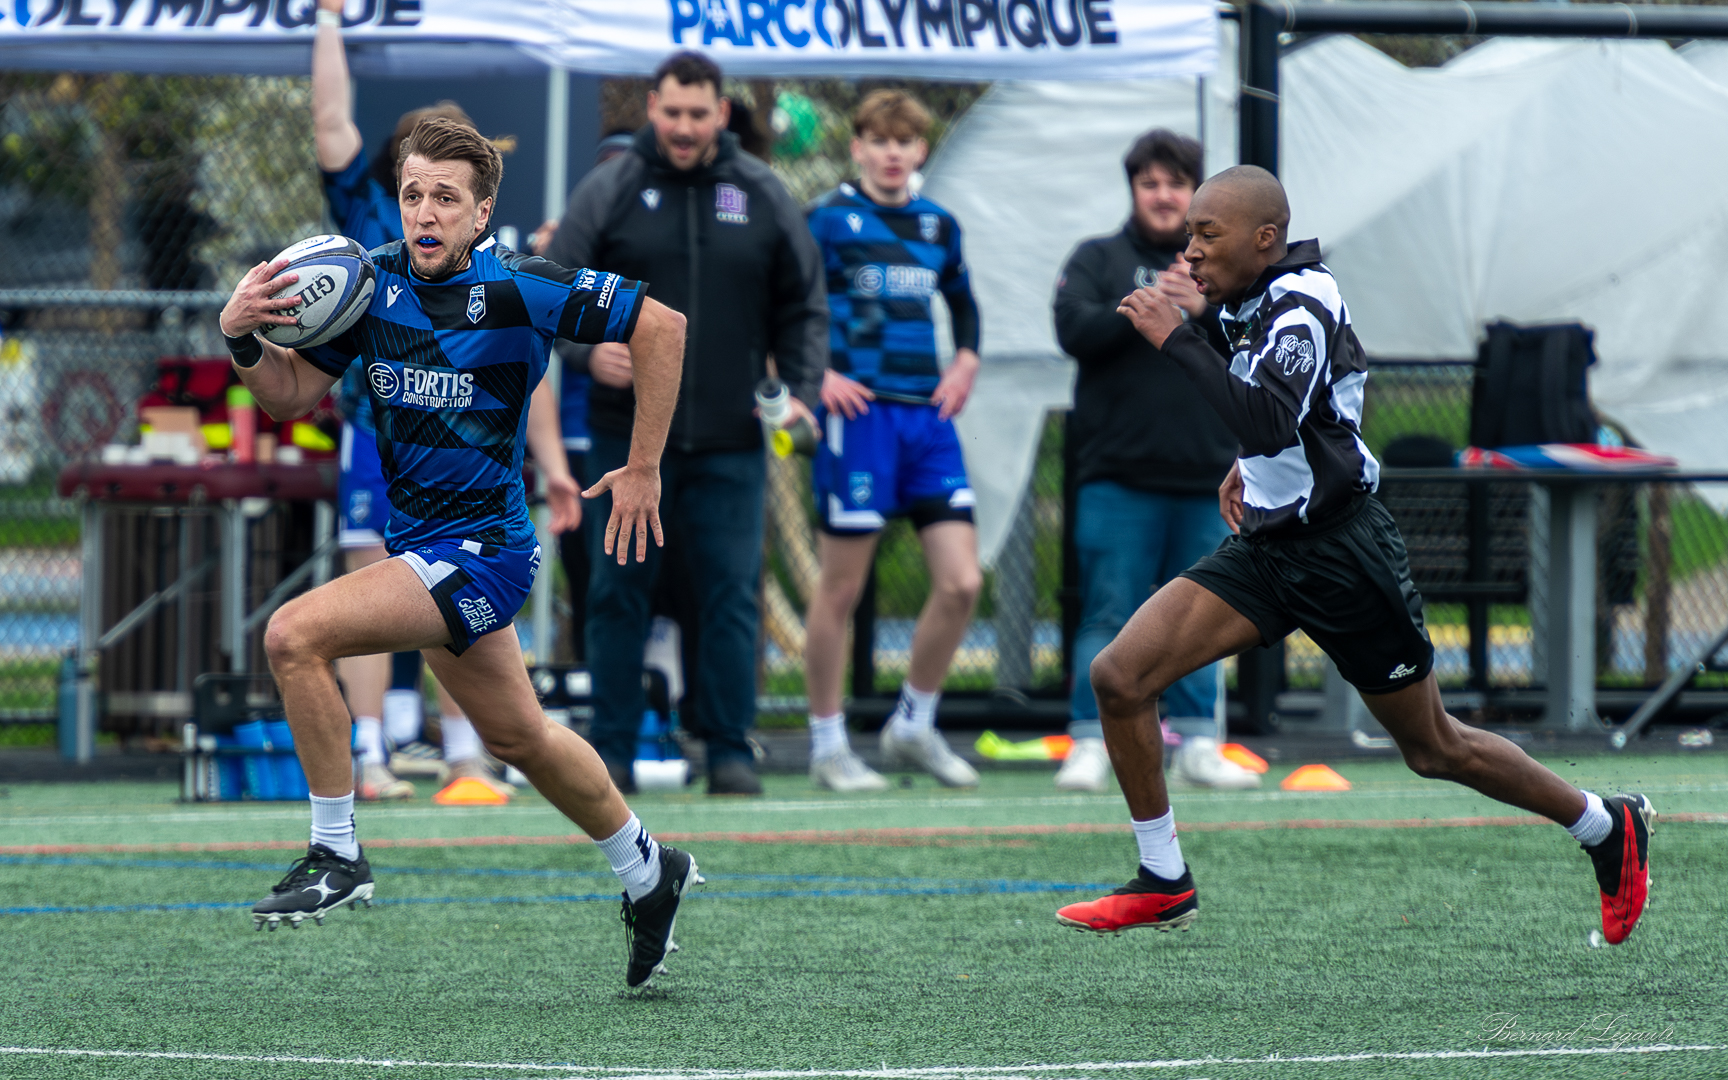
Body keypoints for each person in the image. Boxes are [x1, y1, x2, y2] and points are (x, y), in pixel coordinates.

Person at [1052, 166, 1653, 948]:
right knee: (1119, 677)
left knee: (1435, 749)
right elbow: (1295, 419)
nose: (1190, 249)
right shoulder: (1252, 298)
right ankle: (1164, 878)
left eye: (1208, 232)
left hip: (1343, 555)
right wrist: (1252, 464)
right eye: (1190, 232)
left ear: (1264, 239)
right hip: (1269, 549)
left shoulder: (1302, 299)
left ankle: (1605, 826)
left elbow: (1271, 416)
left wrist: (1179, 340)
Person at [220, 115, 698, 988]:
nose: (425, 214)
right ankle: (647, 867)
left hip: (484, 551)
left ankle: (336, 854)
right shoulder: (371, 290)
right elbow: (286, 399)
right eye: (412, 196)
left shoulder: (520, 287)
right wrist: (243, 338)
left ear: (482, 215)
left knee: (293, 635)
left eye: (447, 198)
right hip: (424, 546)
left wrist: (642, 466)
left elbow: (661, 325)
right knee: (520, 738)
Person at [311, 0, 580, 797]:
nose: (429, 205)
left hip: (472, 443)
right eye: (415, 179)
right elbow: (330, 118)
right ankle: (368, 756)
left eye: (450, 185)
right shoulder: (367, 217)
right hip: (377, 428)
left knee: (463, 597)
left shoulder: (496, 259)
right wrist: (328, 19)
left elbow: (529, 373)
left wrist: (556, 464)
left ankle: (467, 757)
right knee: (367, 585)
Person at [545, 51, 827, 796]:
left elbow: (804, 304)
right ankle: (610, 753)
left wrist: (798, 393)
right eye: (671, 111)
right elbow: (551, 295)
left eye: (698, 114)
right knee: (616, 591)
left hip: (734, 441)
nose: (683, 126)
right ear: (651, 107)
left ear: (722, 115)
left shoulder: (762, 192)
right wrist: (584, 350)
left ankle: (729, 749)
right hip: (625, 442)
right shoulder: (609, 188)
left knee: (733, 593)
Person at [1050, 131, 1255, 794]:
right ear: (1133, 189)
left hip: (1205, 481)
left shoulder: (1221, 271)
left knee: (1203, 621)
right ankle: (1088, 742)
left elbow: (1259, 353)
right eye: (1150, 182)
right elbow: (1071, 329)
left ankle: (1200, 743)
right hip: (1116, 479)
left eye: (1176, 182)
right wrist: (1147, 309)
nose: (1163, 195)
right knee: (1107, 613)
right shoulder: (1099, 258)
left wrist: (1207, 313)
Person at [800, 91, 983, 792]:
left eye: (905, 142)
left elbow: (964, 302)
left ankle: (913, 723)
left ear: (921, 152)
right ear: (858, 148)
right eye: (878, 141)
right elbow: (789, 305)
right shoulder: (827, 220)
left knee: (962, 581)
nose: (891, 153)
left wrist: (966, 360)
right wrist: (815, 376)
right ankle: (827, 745)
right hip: (860, 419)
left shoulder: (939, 225)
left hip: (927, 422)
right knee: (842, 587)